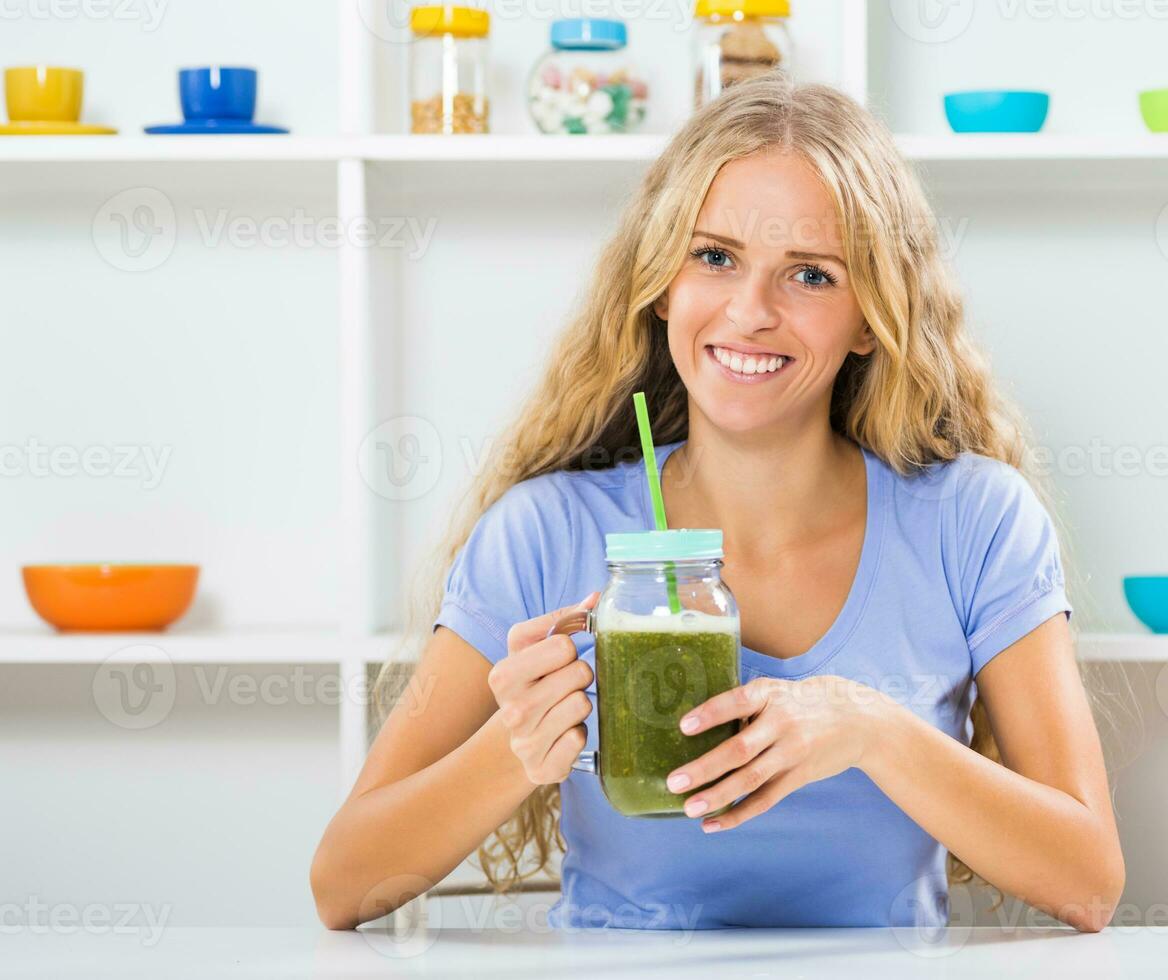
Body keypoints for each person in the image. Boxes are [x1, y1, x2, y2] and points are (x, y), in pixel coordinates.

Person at [311, 76, 1124, 933]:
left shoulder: (974, 524)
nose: (750, 312)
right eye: (714, 257)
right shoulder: (543, 533)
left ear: (870, 318)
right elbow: (344, 883)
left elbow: (1087, 882)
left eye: (810, 274)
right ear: (662, 282)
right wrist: (513, 751)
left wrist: (872, 729)